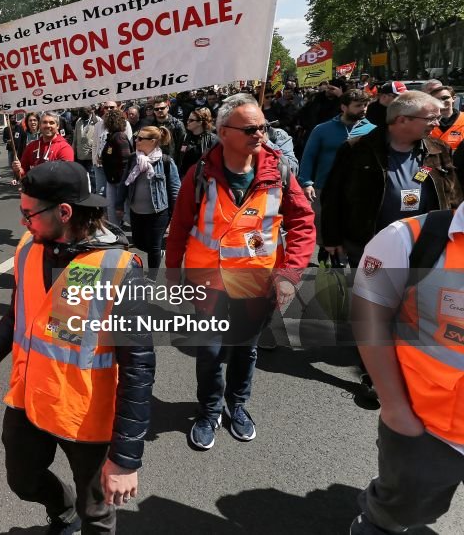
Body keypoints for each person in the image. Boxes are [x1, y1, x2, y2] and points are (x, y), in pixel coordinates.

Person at [0, 160, 156, 534]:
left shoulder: (121, 268)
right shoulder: (29, 247)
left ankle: (83, 517)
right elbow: (19, 316)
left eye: (29, 214)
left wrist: (125, 459)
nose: (23, 223)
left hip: (85, 417)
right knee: (23, 481)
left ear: (64, 212)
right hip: (30, 399)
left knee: (97, 515)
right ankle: (63, 511)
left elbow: (139, 368)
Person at [166, 93, 315, 450]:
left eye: (263, 126)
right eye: (250, 128)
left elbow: (303, 222)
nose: (260, 133)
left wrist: (290, 274)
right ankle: (209, 410)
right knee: (211, 351)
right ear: (222, 132)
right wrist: (173, 273)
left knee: (245, 350)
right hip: (209, 283)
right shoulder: (199, 172)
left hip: (257, 283)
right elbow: (181, 224)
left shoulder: (278, 170)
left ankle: (238, 404)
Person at [348, 201, 464, 534]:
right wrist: (395, 407)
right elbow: (368, 317)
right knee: (399, 510)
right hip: (426, 429)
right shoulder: (410, 239)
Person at [322, 91, 462, 267]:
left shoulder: (439, 149)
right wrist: (332, 238)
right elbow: (333, 195)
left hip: (427, 245)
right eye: (431, 118)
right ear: (402, 119)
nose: (436, 123)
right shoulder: (357, 149)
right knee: (372, 293)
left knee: (418, 293)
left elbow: (454, 197)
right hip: (370, 244)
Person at [299, 89, 374, 263]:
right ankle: (327, 259)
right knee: (326, 231)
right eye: (358, 106)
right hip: (324, 188)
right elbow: (309, 156)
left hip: (357, 192)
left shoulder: (373, 131)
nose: (363, 109)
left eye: (365, 105)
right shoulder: (322, 130)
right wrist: (306, 182)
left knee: (352, 232)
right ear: (343, 107)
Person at [126, 126, 179, 270]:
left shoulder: (166, 161)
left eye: (141, 138)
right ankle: (156, 254)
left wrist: (174, 217)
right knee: (138, 242)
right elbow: (124, 183)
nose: (136, 140)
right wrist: (119, 205)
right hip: (136, 210)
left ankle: (151, 278)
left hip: (159, 212)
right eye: (137, 137)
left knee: (154, 246)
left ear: (153, 141)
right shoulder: (133, 158)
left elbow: (175, 190)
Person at [14, 112, 74, 179]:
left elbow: (65, 177)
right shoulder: (30, 146)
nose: (48, 125)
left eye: (51, 123)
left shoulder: (65, 148)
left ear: (57, 126)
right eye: (44, 122)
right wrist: (18, 170)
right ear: (39, 125)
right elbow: (23, 172)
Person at [99, 108, 133, 229]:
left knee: (120, 210)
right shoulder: (113, 136)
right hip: (113, 179)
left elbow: (126, 160)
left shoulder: (119, 137)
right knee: (112, 208)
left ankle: (119, 232)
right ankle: (115, 231)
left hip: (119, 180)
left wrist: (122, 182)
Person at [179, 108, 219, 178]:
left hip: (203, 179)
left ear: (200, 122)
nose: (187, 122)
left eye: (191, 120)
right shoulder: (185, 137)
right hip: (185, 177)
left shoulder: (212, 139)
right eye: (188, 119)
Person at [428, 85, 463, 151]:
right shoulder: (424, 120)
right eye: (436, 99)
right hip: (433, 160)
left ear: (453, 98)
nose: (441, 101)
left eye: (445, 98)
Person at [72, 107, 98, 193]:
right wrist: (73, 151)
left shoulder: (97, 121)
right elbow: (75, 138)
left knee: (92, 177)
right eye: (80, 112)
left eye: (84, 113)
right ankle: (83, 194)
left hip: (91, 155)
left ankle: (94, 195)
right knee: (81, 176)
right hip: (80, 155)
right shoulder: (79, 121)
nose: (81, 114)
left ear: (90, 112)